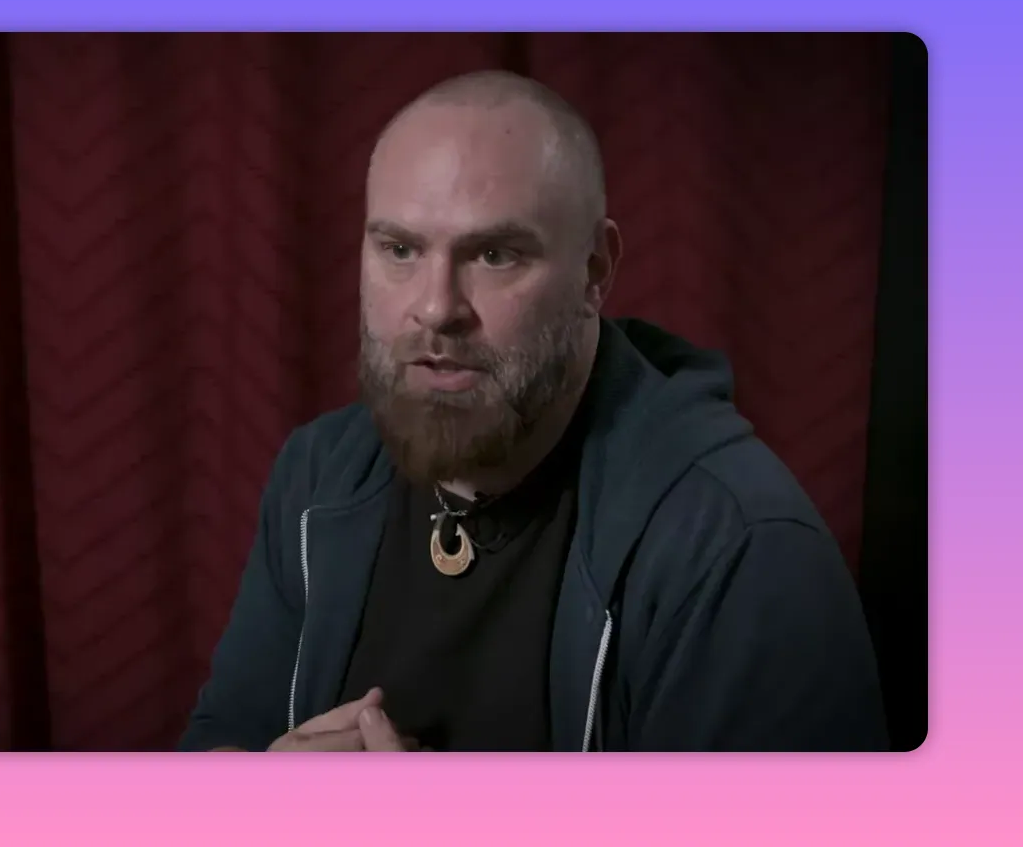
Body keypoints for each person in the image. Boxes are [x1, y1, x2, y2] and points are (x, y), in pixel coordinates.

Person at [178, 70, 888, 752]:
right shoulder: (318, 477)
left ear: (594, 272)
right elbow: (223, 747)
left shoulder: (740, 548)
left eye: (493, 255)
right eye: (399, 249)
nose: (434, 307)